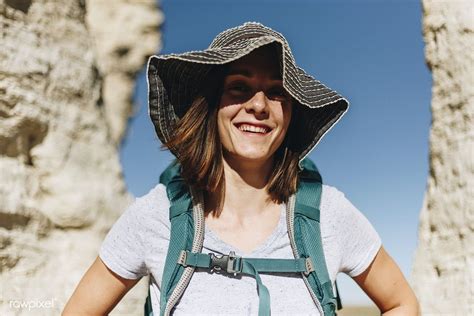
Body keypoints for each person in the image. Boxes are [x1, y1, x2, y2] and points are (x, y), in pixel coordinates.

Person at [63, 22, 419, 315]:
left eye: (278, 92)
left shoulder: (329, 214)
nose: (259, 106)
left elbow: (403, 304)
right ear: (211, 106)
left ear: (291, 114)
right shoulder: (156, 215)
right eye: (239, 88)